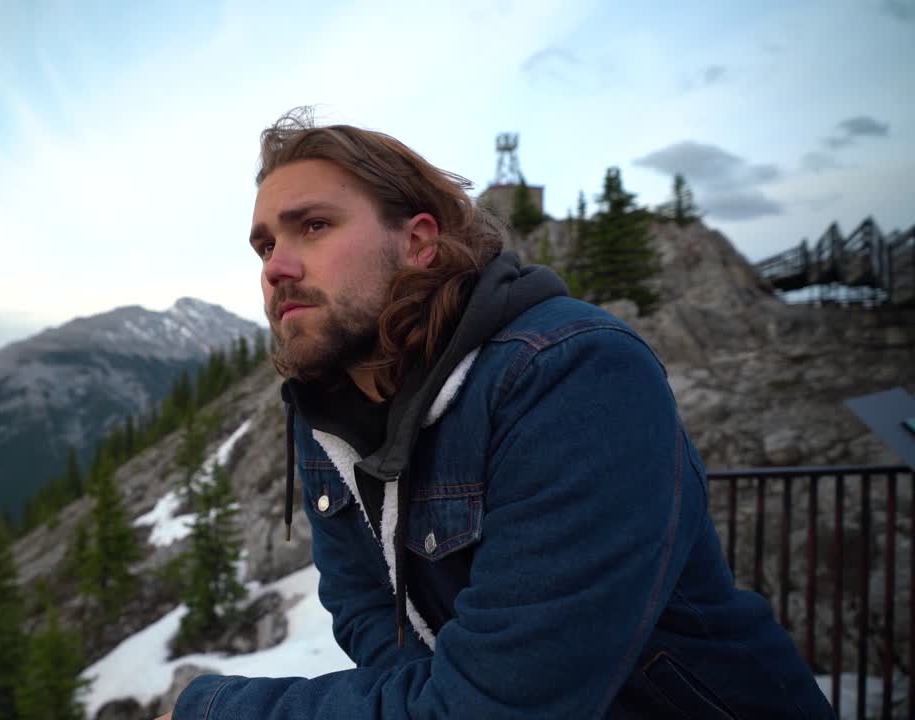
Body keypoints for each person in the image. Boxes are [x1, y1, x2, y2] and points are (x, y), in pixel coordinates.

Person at [161, 108, 832, 719]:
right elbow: (367, 610)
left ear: (419, 241)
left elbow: (492, 707)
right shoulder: (325, 413)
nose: (276, 266)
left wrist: (213, 709)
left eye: (313, 226)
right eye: (263, 245)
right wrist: (426, 697)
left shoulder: (572, 374)